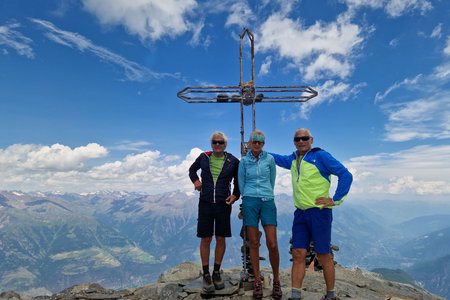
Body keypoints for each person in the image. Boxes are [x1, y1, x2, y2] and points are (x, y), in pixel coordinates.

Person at [270, 128, 353, 300]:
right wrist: (258, 150)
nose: (301, 141)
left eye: (304, 138)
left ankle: (330, 295)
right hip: (300, 213)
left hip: (319, 213)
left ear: (311, 139)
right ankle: (295, 295)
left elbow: (346, 175)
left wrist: (335, 199)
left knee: (323, 254)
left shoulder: (321, 156)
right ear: (294, 141)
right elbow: (277, 158)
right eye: (297, 139)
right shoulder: (293, 159)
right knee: (298, 253)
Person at [189, 131, 240, 292]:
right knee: (205, 238)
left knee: (220, 238)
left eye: (220, 142)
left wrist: (235, 195)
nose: (217, 145)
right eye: (214, 142)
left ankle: (216, 272)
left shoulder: (233, 161)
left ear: (225, 144)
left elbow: (238, 180)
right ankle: (206, 274)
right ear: (211, 143)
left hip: (223, 204)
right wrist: (196, 181)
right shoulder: (204, 156)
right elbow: (192, 170)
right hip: (205, 203)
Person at [238, 130, 282, 300]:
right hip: (250, 201)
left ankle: (276, 279)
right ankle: (257, 280)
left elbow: (272, 180)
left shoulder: (269, 159)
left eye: (260, 142)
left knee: (272, 242)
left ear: (263, 144)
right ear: (249, 143)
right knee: (254, 242)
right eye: (254, 141)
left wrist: (267, 194)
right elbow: (241, 183)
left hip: (267, 200)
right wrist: (247, 196)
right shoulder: (244, 161)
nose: (257, 144)